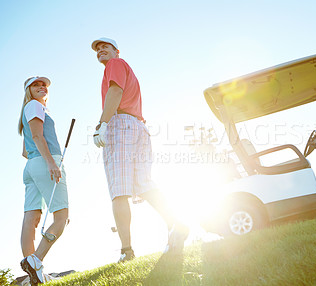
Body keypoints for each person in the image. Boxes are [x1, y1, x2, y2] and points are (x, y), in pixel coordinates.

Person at [91, 37, 189, 262]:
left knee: (119, 191)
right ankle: (175, 222)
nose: (100, 51)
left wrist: (103, 124)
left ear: (116, 51)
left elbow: (115, 93)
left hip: (120, 125)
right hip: (139, 127)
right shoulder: (126, 68)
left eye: (105, 47)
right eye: (97, 49)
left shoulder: (115, 64)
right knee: (144, 184)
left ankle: (127, 251)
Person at [18, 77, 69, 285]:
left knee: (31, 217)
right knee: (61, 217)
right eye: (36, 85)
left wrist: (40, 162)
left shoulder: (28, 109)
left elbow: (24, 150)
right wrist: (51, 162)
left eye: (44, 85)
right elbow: (38, 137)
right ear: (28, 90)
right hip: (45, 163)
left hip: (31, 166)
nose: (41, 87)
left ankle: (33, 275)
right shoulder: (35, 106)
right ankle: (35, 261)